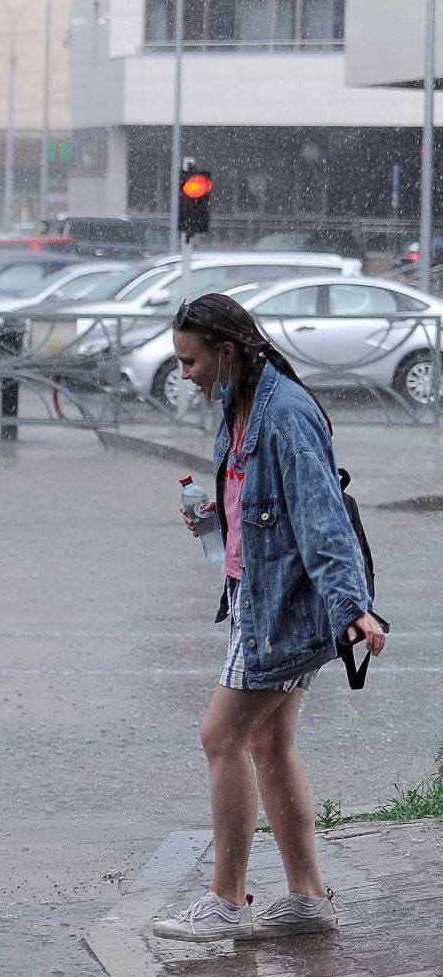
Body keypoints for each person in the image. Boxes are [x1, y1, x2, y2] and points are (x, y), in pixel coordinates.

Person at [150, 293, 385, 943]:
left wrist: (352, 609)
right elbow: (256, 501)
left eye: (191, 360)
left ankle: (227, 898)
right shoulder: (240, 404)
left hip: (283, 607)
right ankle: (307, 896)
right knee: (267, 742)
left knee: (220, 736)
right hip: (261, 596)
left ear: (227, 352)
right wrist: (213, 520)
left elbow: (323, 519)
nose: (185, 374)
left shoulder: (285, 414)